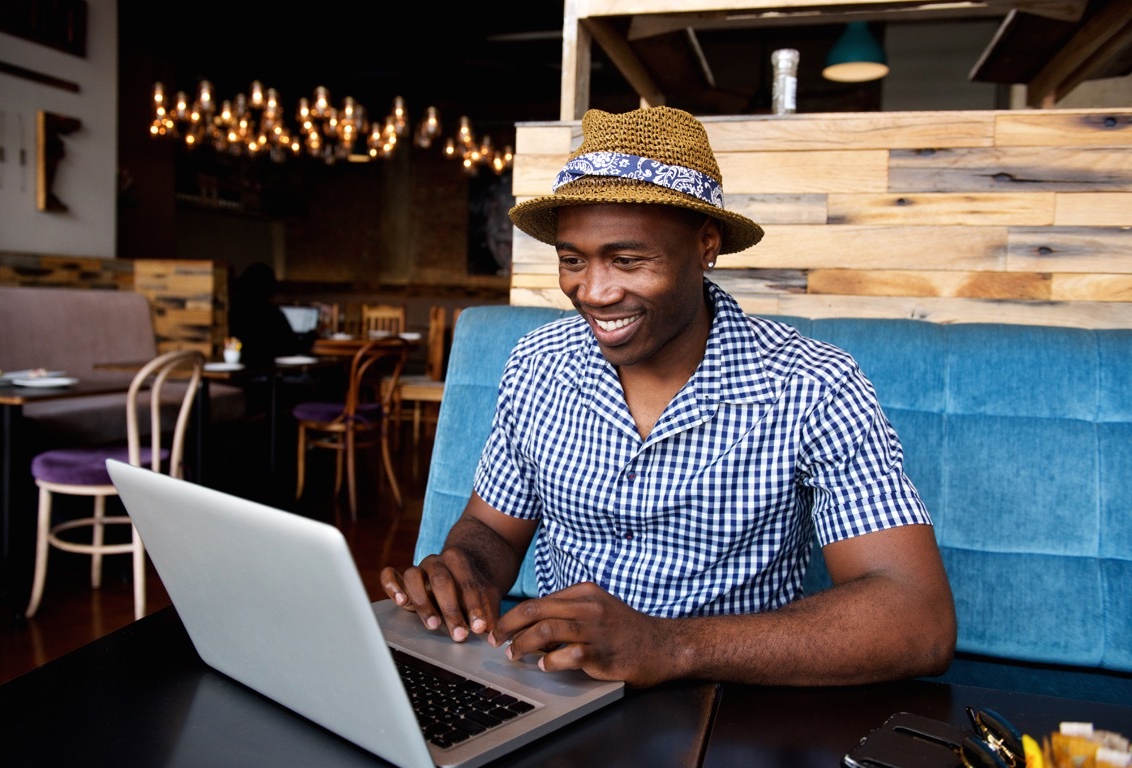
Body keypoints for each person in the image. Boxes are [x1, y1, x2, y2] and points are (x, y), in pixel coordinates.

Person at [380, 106, 956, 688]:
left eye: (628, 261)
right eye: (573, 260)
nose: (594, 292)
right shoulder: (538, 363)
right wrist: (464, 571)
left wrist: (669, 645)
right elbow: (492, 530)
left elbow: (918, 618)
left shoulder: (813, 386)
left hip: (724, 701)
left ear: (706, 245)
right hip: (555, 685)